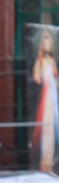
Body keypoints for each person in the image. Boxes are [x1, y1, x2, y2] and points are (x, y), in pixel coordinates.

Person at [32, 29, 59, 172]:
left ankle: (51, 159)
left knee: (53, 125)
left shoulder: (52, 60)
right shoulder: (40, 60)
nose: (47, 45)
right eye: (45, 42)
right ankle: (45, 159)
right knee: (46, 127)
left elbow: (57, 79)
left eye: (49, 42)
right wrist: (40, 64)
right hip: (46, 94)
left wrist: (55, 77)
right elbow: (37, 78)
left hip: (53, 95)